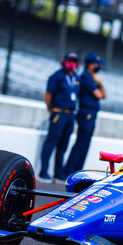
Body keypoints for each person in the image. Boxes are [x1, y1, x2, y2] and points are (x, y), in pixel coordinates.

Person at [39, 51, 80, 183]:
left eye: (74, 61)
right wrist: (51, 110)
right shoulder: (57, 76)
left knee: (63, 144)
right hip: (59, 113)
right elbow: (48, 95)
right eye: (69, 60)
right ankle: (43, 171)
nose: (71, 63)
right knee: (51, 141)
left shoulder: (76, 78)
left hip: (70, 115)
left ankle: (58, 172)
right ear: (64, 61)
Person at [65, 53, 106, 175]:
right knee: (81, 142)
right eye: (96, 64)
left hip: (92, 113)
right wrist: (99, 83)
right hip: (86, 113)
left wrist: (100, 83)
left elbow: (104, 95)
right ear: (91, 65)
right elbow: (98, 94)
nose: (98, 66)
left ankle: (77, 170)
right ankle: (70, 171)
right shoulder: (86, 77)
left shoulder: (93, 78)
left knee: (85, 144)